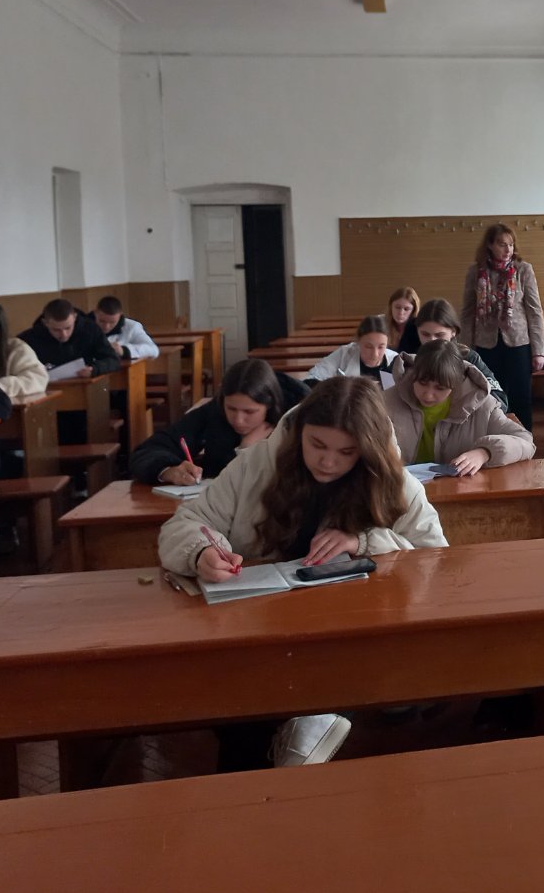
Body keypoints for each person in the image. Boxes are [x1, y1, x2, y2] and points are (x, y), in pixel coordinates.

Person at [157, 377, 445, 771]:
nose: (328, 462)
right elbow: (186, 524)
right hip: (261, 626)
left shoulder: (394, 481)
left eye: (346, 452)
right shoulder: (256, 465)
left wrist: (363, 541)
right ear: (299, 434)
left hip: (351, 629)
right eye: (317, 445)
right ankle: (267, 771)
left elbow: (435, 557)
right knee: (242, 718)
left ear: (368, 449)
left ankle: (304, 737)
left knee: (317, 682)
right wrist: (201, 551)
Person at [130, 358, 308, 485]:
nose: (238, 420)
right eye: (231, 408)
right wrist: (168, 470)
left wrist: (247, 451)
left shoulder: (302, 415)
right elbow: (147, 451)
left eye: (249, 412)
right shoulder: (214, 411)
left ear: (270, 405)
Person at [385, 339, 534, 474]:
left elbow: (525, 441)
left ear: (456, 384)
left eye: (440, 388)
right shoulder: (387, 401)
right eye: (422, 383)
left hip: (461, 489)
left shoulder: (482, 405)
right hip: (401, 489)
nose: (428, 395)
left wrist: (485, 453)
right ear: (413, 375)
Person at [459, 223, 544, 432]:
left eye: (511, 245)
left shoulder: (523, 270)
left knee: (521, 397)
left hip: (518, 343)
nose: (508, 250)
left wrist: (539, 351)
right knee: (490, 397)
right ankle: (494, 439)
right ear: (490, 245)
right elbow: (468, 313)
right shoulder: (476, 272)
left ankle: (524, 440)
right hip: (486, 344)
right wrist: (465, 349)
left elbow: (535, 312)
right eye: (502, 244)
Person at [412, 298, 507, 407]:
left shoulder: (468, 358)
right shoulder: (410, 358)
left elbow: (500, 400)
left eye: (439, 335)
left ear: (453, 332)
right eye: (425, 334)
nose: (432, 341)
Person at [19, 299, 121, 377]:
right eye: (56, 330)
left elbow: (113, 360)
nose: (64, 334)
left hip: (83, 386)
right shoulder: (29, 338)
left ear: (75, 318)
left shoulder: (90, 329)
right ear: (45, 323)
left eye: (68, 328)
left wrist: (94, 369)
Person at [303, 316, 395, 383]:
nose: (375, 354)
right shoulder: (344, 354)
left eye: (381, 347)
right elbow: (314, 377)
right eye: (368, 346)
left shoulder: (395, 360)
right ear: (358, 342)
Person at [91, 296, 160, 362]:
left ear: (120, 315)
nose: (106, 326)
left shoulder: (132, 326)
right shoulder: (86, 325)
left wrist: (124, 350)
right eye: (102, 321)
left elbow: (153, 350)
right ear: (95, 313)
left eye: (112, 322)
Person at [387, 287, 421, 356]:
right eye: (397, 307)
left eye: (406, 309)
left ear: (413, 310)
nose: (401, 312)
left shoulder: (418, 329)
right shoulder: (381, 325)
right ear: (391, 307)